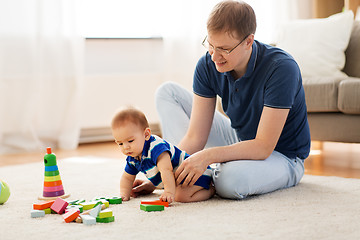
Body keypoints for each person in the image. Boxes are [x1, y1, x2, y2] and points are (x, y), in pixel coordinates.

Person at [131, 0, 311, 200]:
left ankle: (209, 176)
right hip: (239, 138)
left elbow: (263, 146)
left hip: (282, 156)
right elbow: (195, 137)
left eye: (224, 49)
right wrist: (163, 177)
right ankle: (189, 175)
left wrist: (207, 156)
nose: (215, 57)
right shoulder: (207, 65)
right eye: (210, 45)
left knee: (229, 182)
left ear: (248, 41)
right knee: (167, 92)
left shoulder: (281, 68)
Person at [111, 107, 215, 203]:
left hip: (195, 173)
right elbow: (127, 178)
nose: (125, 147)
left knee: (180, 196)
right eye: (120, 143)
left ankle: (210, 190)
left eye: (130, 141)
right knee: (178, 191)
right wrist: (124, 194)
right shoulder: (133, 157)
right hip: (180, 180)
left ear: (146, 134)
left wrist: (169, 192)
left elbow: (166, 170)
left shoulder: (157, 147)